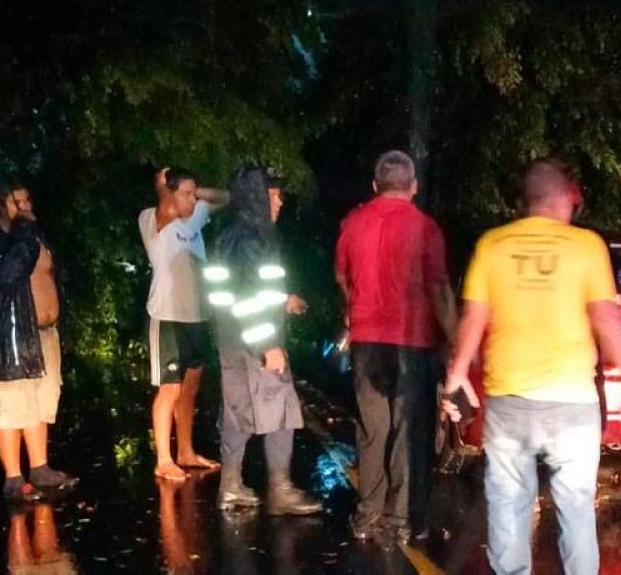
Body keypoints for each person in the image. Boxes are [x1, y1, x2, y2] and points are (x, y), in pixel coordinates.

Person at [443, 157, 621, 575]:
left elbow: (474, 315)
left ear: (527, 201)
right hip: (573, 402)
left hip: (509, 399)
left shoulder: (493, 244)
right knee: (575, 508)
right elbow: (605, 315)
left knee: (509, 505)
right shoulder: (587, 246)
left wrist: (457, 373)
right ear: (566, 199)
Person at [335, 150, 457, 543]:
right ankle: (403, 520)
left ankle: (367, 515)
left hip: (367, 342)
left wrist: (352, 312)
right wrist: (454, 341)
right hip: (413, 344)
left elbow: (343, 277)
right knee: (411, 432)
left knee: (372, 429)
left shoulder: (353, 223)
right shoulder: (426, 228)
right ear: (414, 186)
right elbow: (439, 289)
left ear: (375, 186)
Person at [204, 166, 321, 515]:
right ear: (257, 196)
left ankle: (230, 487)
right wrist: (267, 344)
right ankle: (280, 490)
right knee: (281, 411)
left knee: (238, 412)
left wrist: (282, 301)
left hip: (231, 337)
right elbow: (247, 295)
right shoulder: (251, 238)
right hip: (254, 341)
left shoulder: (230, 235)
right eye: (274, 194)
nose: (280, 201)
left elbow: (239, 290)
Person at [0, 177, 78, 501]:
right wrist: (23, 232)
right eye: (18, 203)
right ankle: (13, 478)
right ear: (0, 204)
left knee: (40, 403)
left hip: (44, 334)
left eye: (28, 201)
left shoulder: (33, 235)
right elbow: (7, 273)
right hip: (10, 338)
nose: (26, 208)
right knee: (11, 406)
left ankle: (40, 467)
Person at [139, 167, 228, 481]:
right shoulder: (153, 218)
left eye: (194, 193)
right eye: (185, 193)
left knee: (190, 389)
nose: (192, 199)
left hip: (198, 316)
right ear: (168, 191)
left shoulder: (196, 214)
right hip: (168, 317)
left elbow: (227, 197)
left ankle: (186, 451)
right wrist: (164, 186)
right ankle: (163, 459)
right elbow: (168, 205)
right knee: (170, 389)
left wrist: (197, 193)